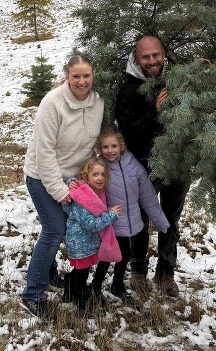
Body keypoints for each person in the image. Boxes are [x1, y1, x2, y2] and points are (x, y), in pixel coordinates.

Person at [20, 54, 107, 318]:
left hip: (73, 180)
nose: (82, 81)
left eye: (87, 75)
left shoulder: (98, 103)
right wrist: (59, 190)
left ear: (93, 75)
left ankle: (46, 272)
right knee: (54, 230)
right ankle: (32, 294)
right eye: (76, 76)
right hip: (41, 176)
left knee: (65, 229)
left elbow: (91, 144)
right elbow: (43, 151)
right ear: (67, 77)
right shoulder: (52, 103)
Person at [115, 36, 190, 297]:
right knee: (140, 219)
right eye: (145, 57)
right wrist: (154, 111)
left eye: (156, 55)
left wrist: (201, 72)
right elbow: (128, 132)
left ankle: (166, 272)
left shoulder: (175, 80)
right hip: (144, 167)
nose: (152, 61)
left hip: (177, 164)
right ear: (137, 59)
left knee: (170, 219)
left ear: (163, 54)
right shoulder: (128, 91)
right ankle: (138, 270)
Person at [91, 127, 170, 301]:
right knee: (106, 256)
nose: (110, 151)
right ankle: (96, 287)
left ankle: (117, 285)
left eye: (114, 146)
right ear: (100, 148)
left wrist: (161, 222)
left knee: (124, 254)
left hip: (130, 221)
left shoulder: (133, 165)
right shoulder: (99, 166)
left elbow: (148, 195)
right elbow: (86, 184)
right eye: (105, 147)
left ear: (121, 146)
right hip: (110, 221)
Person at [62, 157, 122, 311]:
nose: (100, 178)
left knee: (81, 270)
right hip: (80, 243)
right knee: (82, 274)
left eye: (102, 174)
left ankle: (68, 291)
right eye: (95, 175)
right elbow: (90, 224)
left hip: (86, 243)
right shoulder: (82, 198)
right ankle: (82, 302)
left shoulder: (95, 193)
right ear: (86, 176)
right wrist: (111, 215)